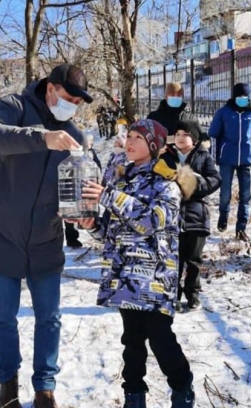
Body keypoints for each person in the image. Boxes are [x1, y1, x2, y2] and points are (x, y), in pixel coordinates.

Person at [0, 63, 94, 408]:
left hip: (45, 240)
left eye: (78, 103)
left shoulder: (74, 136)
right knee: (3, 318)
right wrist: (42, 139)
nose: (71, 107)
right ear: (50, 88)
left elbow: (74, 192)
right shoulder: (14, 108)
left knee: (49, 318)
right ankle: (7, 382)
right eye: (68, 98)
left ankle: (45, 386)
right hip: (0, 234)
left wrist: (83, 209)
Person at [81, 119, 197, 408]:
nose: (129, 142)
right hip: (124, 274)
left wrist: (108, 196)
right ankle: (134, 395)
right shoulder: (121, 180)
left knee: (160, 338)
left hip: (155, 277)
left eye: (138, 137)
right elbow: (111, 229)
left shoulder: (167, 185)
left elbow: (150, 221)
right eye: (129, 136)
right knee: (131, 340)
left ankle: (182, 387)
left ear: (154, 145)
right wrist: (92, 225)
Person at [160, 119, 221, 312]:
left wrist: (193, 184)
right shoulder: (166, 155)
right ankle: (173, 295)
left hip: (196, 215)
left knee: (194, 260)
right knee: (174, 260)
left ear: (193, 139)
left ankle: (192, 295)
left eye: (184, 134)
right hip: (171, 216)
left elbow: (215, 179)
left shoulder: (203, 156)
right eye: (177, 134)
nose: (179, 138)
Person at [208, 83, 251, 241]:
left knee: (245, 195)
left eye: (244, 97)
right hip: (226, 158)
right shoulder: (224, 113)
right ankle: (223, 216)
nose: (242, 99)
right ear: (234, 97)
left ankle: (241, 228)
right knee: (225, 192)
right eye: (239, 97)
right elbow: (213, 134)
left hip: (247, 159)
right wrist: (212, 157)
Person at [64, 133, 102, 248]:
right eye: (87, 142)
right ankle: (72, 238)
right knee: (70, 213)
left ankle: (92, 231)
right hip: (73, 188)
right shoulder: (69, 156)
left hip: (87, 187)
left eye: (90, 142)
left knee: (88, 211)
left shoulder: (92, 153)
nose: (89, 144)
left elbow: (98, 167)